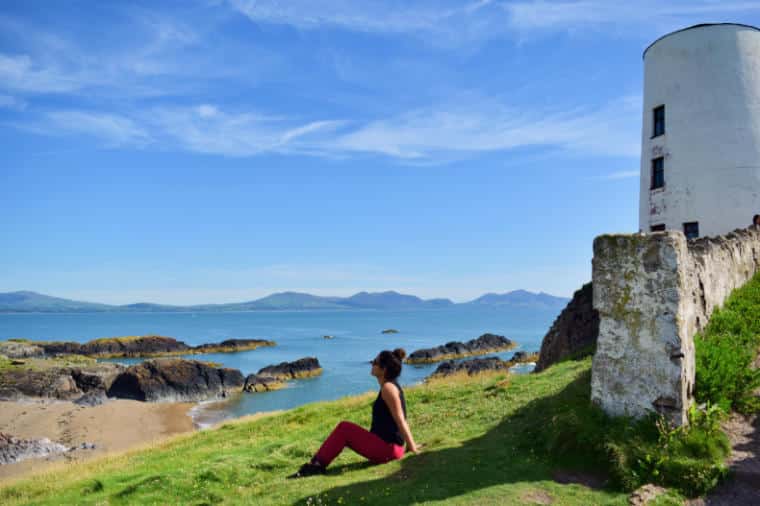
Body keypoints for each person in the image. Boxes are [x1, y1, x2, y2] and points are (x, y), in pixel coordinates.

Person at [289, 348, 420, 478]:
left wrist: (412, 446)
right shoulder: (390, 386)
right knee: (345, 429)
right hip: (388, 447)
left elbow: (400, 419)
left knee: (344, 428)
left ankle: (316, 465)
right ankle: (316, 464)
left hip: (388, 450)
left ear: (383, 369)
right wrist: (407, 445)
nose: (372, 364)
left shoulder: (388, 388)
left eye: (375, 362)